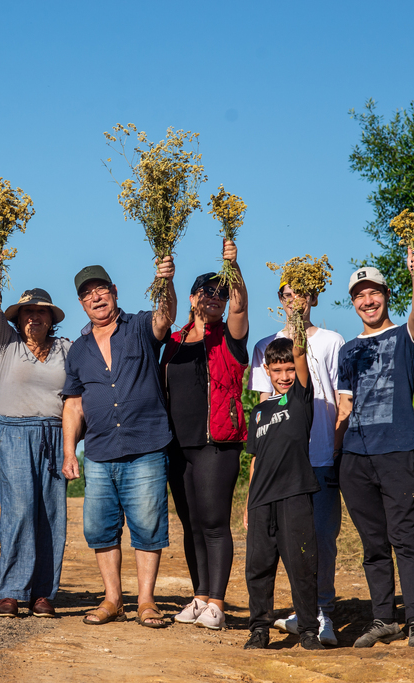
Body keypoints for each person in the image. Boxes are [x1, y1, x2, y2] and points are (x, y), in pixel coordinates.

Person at [62, 257, 175, 629]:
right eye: (87, 294)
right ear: (81, 303)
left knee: (147, 525)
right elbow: (74, 404)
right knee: (100, 528)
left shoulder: (140, 325)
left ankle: (146, 602)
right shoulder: (77, 350)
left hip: (146, 445)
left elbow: (165, 317)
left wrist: (165, 281)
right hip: (98, 451)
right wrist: (69, 451)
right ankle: (113, 599)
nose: (95, 297)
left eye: (100, 289)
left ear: (114, 292)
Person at [336, 250, 414, 648]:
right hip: (355, 458)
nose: (367, 301)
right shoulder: (347, 350)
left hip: (396, 450)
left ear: (386, 295)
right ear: (353, 302)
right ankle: (382, 620)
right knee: (373, 543)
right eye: (359, 295)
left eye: (373, 292)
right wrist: (334, 459)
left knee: (405, 537)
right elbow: (343, 406)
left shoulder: (405, 335)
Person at [249, 280, 345, 646]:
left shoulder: (325, 351)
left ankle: (316, 620)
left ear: (313, 297)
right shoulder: (261, 400)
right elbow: (259, 441)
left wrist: (334, 451)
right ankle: (271, 623)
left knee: (312, 550)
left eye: (301, 293)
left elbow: (310, 373)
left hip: (312, 470)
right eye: (287, 295)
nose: (284, 375)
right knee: (265, 559)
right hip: (269, 486)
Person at [159, 241, 248, 631]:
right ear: (193, 297)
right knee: (191, 523)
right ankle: (198, 596)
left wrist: (234, 267)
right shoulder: (174, 342)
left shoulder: (229, 336)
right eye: (208, 292)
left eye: (221, 294)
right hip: (178, 446)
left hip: (218, 443)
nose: (215, 298)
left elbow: (242, 307)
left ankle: (217, 603)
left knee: (214, 522)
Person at [0, 247, 72, 618]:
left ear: (51, 319)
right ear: (18, 319)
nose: (34, 317)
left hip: (54, 433)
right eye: (28, 312)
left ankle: (43, 594)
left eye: (41, 312)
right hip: (14, 432)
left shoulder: (68, 348)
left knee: (52, 514)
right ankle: (12, 591)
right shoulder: (6, 344)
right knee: (18, 512)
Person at [242, 322, 324, 651]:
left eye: (289, 369)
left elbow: (301, 357)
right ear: (267, 370)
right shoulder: (259, 412)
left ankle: (307, 631)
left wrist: (297, 315)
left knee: (302, 567)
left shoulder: (301, 400)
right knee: (258, 568)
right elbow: (254, 460)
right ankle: (259, 630)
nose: (285, 375)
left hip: (295, 495)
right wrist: (248, 503)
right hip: (261, 502)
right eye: (278, 370)